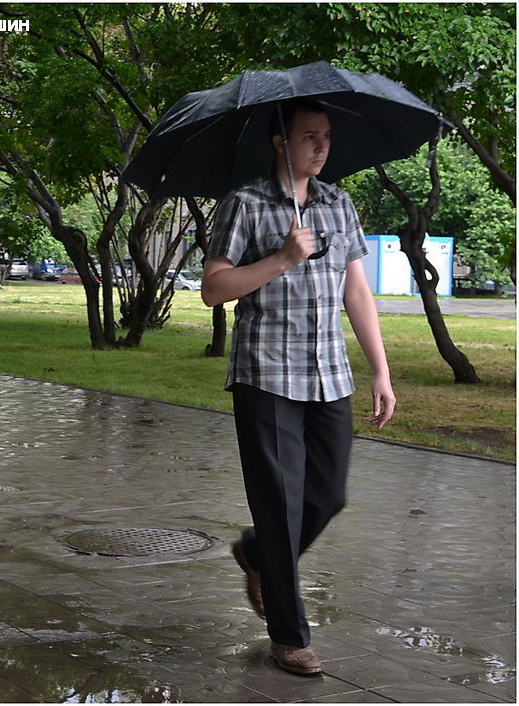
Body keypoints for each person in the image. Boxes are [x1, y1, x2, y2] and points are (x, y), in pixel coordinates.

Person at [201, 99, 396, 676]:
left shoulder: (338, 203)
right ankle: (289, 636)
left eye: (327, 136)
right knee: (279, 505)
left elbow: (355, 292)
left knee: (327, 495)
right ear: (279, 141)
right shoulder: (245, 203)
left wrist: (380, 371)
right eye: (310, 136)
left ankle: (259, 555)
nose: (321, 146)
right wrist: (284, 257)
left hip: (328, 373)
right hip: (265, 374)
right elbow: (215, 288)